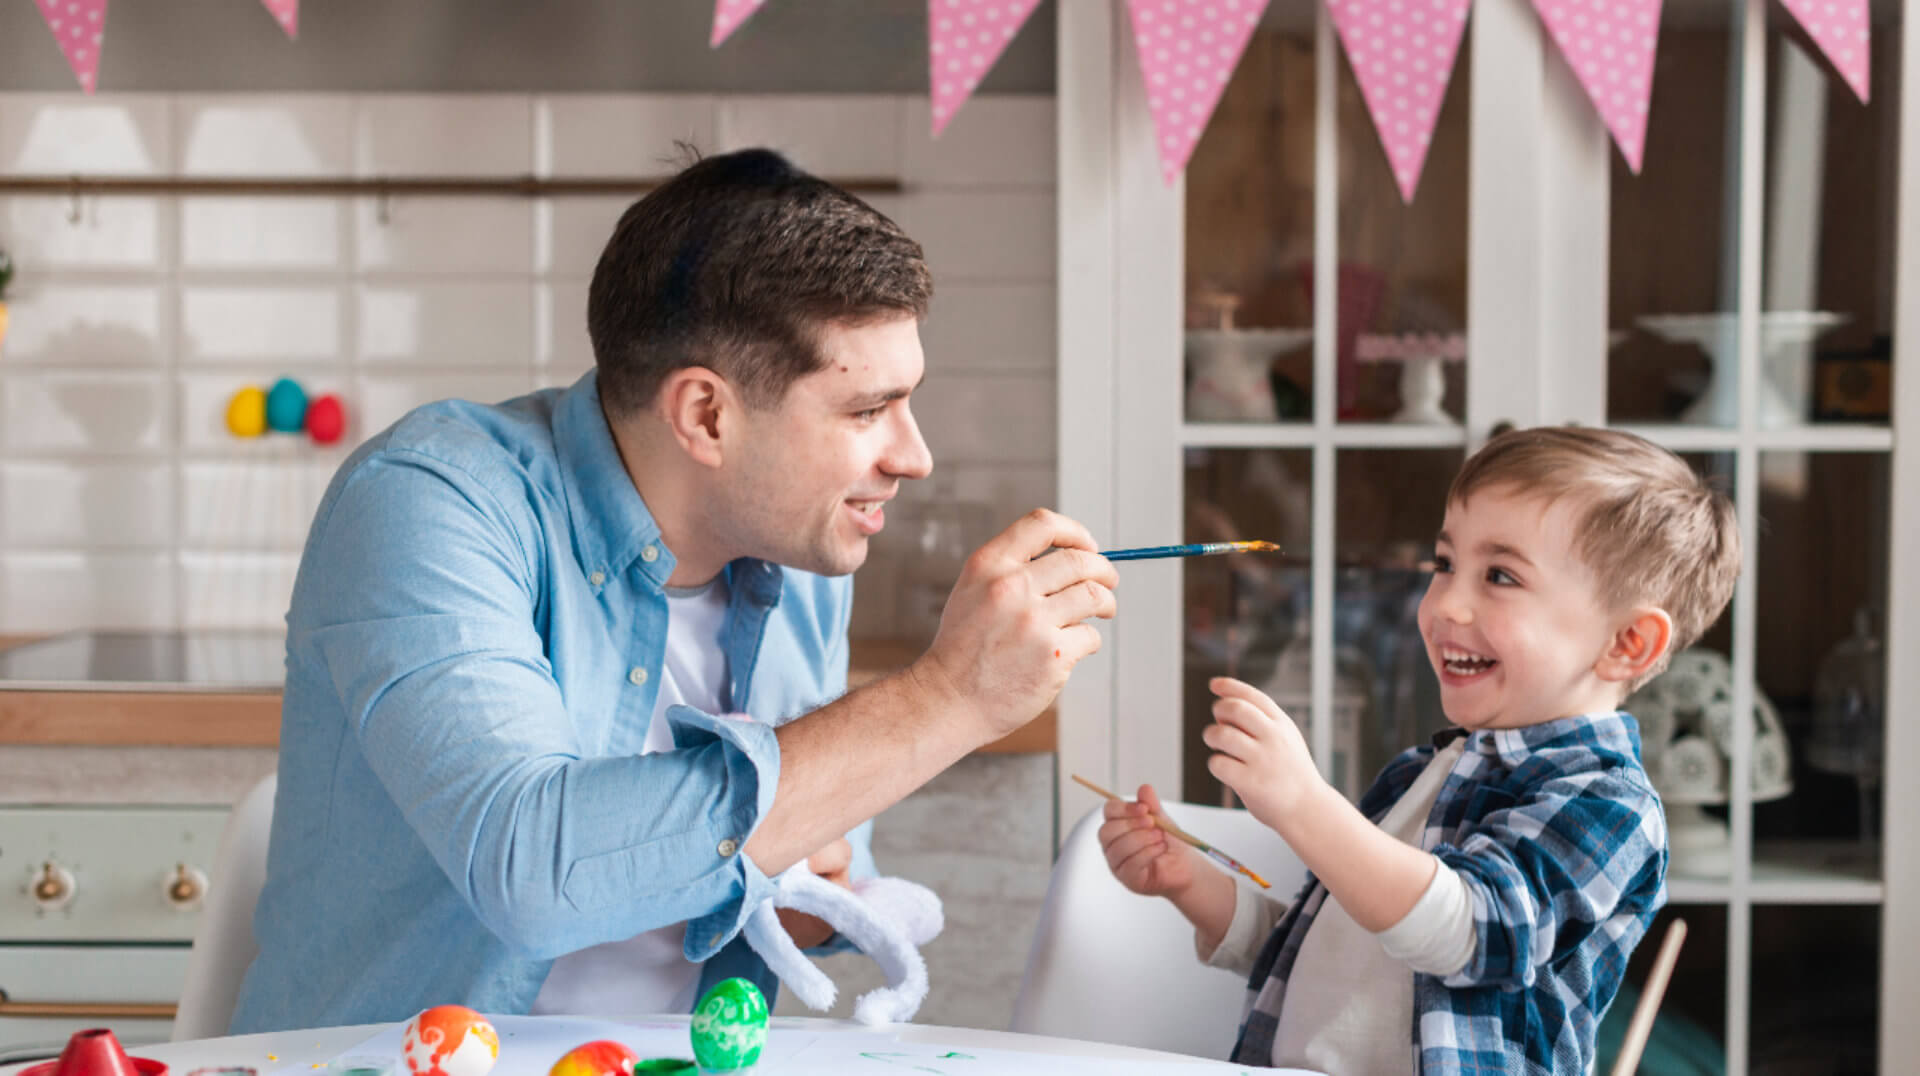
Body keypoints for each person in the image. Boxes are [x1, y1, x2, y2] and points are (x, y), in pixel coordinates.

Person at [229, 148, 1118, 1032]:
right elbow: (535, 872)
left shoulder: (799, 549)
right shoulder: (428, 500)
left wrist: (817, 888)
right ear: (706, 414)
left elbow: (795, 886)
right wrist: (948, 698)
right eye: (865, 411)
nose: (912, 457)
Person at [1099, 426, 1740, 1074]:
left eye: (1500, 575)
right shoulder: (1419, 773)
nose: (1444, 604)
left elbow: (1462, 932)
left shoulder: (1608, 804)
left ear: (1628, 642)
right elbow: (1323, 949)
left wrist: (1303, 803)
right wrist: (1190, 881)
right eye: (1443, 565)